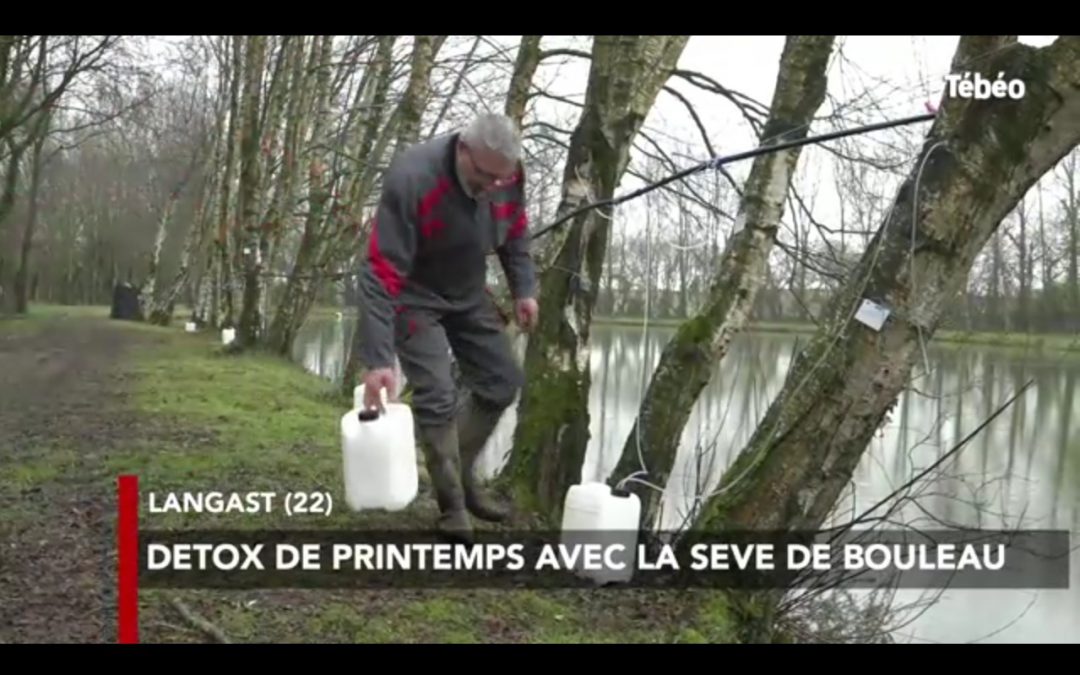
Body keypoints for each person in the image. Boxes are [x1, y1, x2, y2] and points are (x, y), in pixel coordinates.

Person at [356, 113, 539, 543]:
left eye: (502, 177)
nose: (494, 185)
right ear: (462, 150)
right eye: (485, 175)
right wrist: (379, 358)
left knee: (501, 382)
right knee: (437, 394)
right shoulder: (413, 177)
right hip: (414, 295)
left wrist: (524, 289)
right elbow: (380, 272)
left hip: (468, 292)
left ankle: (463, 478)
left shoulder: (507, 177)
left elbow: (514, 231)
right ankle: (452, 506)